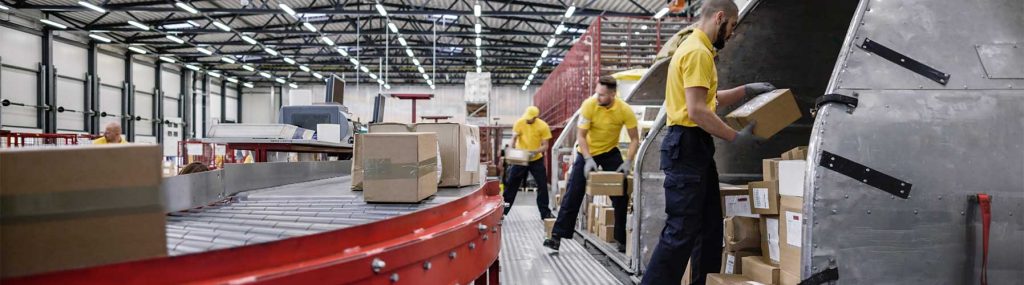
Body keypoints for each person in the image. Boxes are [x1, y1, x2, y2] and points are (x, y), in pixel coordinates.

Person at [641, 1, 776, 284]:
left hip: (695, 146)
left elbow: (709, 99)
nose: (733, 33)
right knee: (681, 231)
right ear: (719, 18)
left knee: (709, 227)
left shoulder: (698, 50)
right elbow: (697, 110)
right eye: (732, 26)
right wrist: (735, 137)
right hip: (686, 143)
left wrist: (746, 90)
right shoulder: (697, 52)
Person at [543, 75, 640, 252]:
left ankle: (620, 238)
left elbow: (635, 139)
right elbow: (581, 136)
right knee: (574, 192)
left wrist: (628, 161)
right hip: (586, 152)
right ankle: (556, 236)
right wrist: (587, 159)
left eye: (602, 94)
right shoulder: (589, 105)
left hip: (610, 152)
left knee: (621, 194)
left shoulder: (624, 110)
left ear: (613, 94)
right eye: (597, 93)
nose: (598, 97)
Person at [502, 106, 554, 219]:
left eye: (530, 118)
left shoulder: (543, 126)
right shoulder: (520, 123)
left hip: (536, 159)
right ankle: (502, 211)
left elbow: (545, 146)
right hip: (521, 158)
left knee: (542, 185)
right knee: (511, 184)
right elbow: (513, 138)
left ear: (535, 117)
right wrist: (510, 149)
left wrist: (534, 152)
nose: (527, 120)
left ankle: (545, 213)